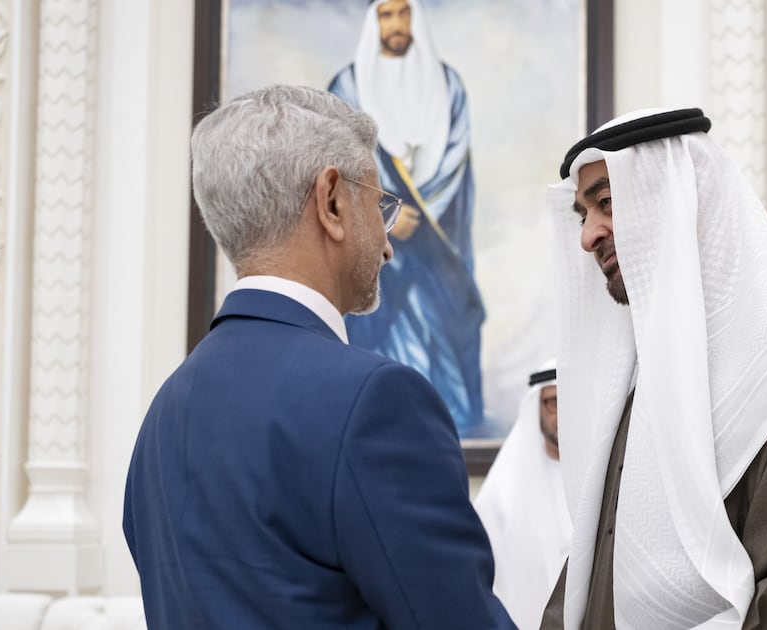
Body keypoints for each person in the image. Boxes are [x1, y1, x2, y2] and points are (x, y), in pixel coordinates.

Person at [122, 85, 513, 630]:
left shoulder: (164, 411)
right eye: (379, 204)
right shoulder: (375, 400)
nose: (388, 245)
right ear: (331, 202)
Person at [539, 108, 767, 629]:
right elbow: (591, 575)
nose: (588, 236)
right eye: (583, 215)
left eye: (607, 203)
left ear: (686, 198)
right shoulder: (641, 383)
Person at [328, 0, 486, 435]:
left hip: (437, 235)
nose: (396, 23)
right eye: (386, 14)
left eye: (404, 13)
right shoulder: (347, 87)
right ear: (374, 22)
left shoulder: (448, 84)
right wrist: (388, 212)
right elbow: (338, 164)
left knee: (452, 318)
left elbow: (455, 156)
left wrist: (422, 211)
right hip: (374, 238)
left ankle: (448, 425)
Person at [474, 361, 571, 630]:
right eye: (553, 402)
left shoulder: (600, 476)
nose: (563, 413)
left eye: (570, 401)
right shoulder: (503, 486)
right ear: (535, 407)